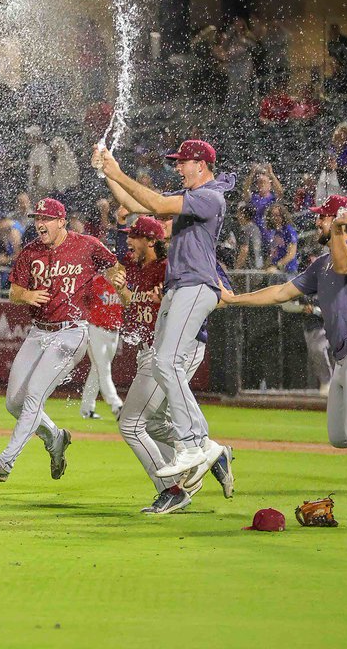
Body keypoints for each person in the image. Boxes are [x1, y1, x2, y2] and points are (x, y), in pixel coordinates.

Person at [220, 196, 347, 531]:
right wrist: (233, 299)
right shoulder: (320, 264)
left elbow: (346, 266)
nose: (317, 223)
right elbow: (279, 293)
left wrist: (337, 230)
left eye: (323, 218)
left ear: (338, 222)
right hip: (346, 356)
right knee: (339, 436)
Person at [0, 198, 123, 484]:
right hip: (38, 332)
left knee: (33, 396)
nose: (40, 223)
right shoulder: (30, 252)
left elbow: (115, 266)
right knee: (14, 404)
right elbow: (14, 292)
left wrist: (117, 279)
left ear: (61, 221)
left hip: (72, 330)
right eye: (37, 217)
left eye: (46, 218)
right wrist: (27, 296)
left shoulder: (86, 245)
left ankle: (5, 462)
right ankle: (55, 437)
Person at [94, 138, 233, 482]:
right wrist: (106, 173)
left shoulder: (209, 196)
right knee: (162, 361)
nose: (177, 167)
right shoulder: (194, 199)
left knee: (166, 361)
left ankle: (192, 444)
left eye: (182, 162)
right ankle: (203, 443)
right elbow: (135, 203)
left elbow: (154, 200)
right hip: (181, 286)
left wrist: (117, 170)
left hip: (195, 284)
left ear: (201, 165)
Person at [113, 216, 234, 514]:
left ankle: (172, 490)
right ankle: (210, 452)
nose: (129, 241)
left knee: (130, 424)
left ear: (151, 241)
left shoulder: (175, 265)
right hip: (154, 347)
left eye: (135, 236)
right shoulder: (138, 266)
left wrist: (174, 296)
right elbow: (138, 305)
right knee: (153, 423)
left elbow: (221, 296)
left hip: (177, 346)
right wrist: (122, 292)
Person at [79, 273, 125, 420]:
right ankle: (116, 405)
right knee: (104, 369)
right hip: (96, 329)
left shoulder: (122, 280)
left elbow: (127, 301)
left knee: (97, 370)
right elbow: (81, 300)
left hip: (114, 331)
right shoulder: (95, 281)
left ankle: (87, 408)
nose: (114, 266)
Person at [263, 203, 298, 274]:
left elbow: (291, 254)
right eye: (272, 215)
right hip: (275, 271)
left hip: (288, 271)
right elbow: (273, 252)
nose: (275, 218)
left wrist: (277, 266)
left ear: (283, 216)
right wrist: (267, 265)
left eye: (277, 215)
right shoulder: (274, 232)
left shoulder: (289, 230)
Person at [232, 204, 263, 270]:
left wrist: (237, 268)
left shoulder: (246, 230)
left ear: (244, 216)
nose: (237, 216)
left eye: (239, 214)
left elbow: (244, 250)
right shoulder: (255, 228)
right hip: (258, 265)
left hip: (249, 267)